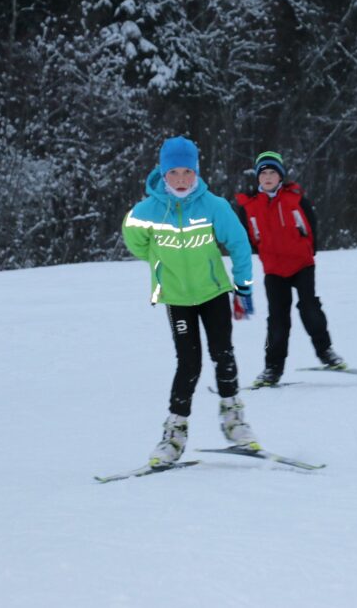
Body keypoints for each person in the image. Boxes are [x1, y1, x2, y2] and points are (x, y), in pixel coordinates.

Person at [122, 136, 259, 468]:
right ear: (162, 173)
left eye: (187, 172)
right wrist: (160, 264)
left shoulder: (214, 206)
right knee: (189, 363)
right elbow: (135, 241)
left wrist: (243, 289)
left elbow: (239, 244)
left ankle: (234, 419)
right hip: (177, 298)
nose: (181, 180)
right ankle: (174, 434)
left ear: (196, 171)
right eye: (174, 173)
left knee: (222, 353)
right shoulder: (146, 211)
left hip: (213, 293)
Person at [235, 150, 345, 387]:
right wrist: (263, 253)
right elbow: (245, 237)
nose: (268, 177)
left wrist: (309, 249)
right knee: (277, 319)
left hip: (301, 264)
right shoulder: (249, 206)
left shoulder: (294, 198)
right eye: (263, 173)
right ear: (257, 178)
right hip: (274, 270)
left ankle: (326, 352)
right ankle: (272, 368)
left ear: (280, 176)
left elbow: (311, 223)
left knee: (309, 307)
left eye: (272, 172)